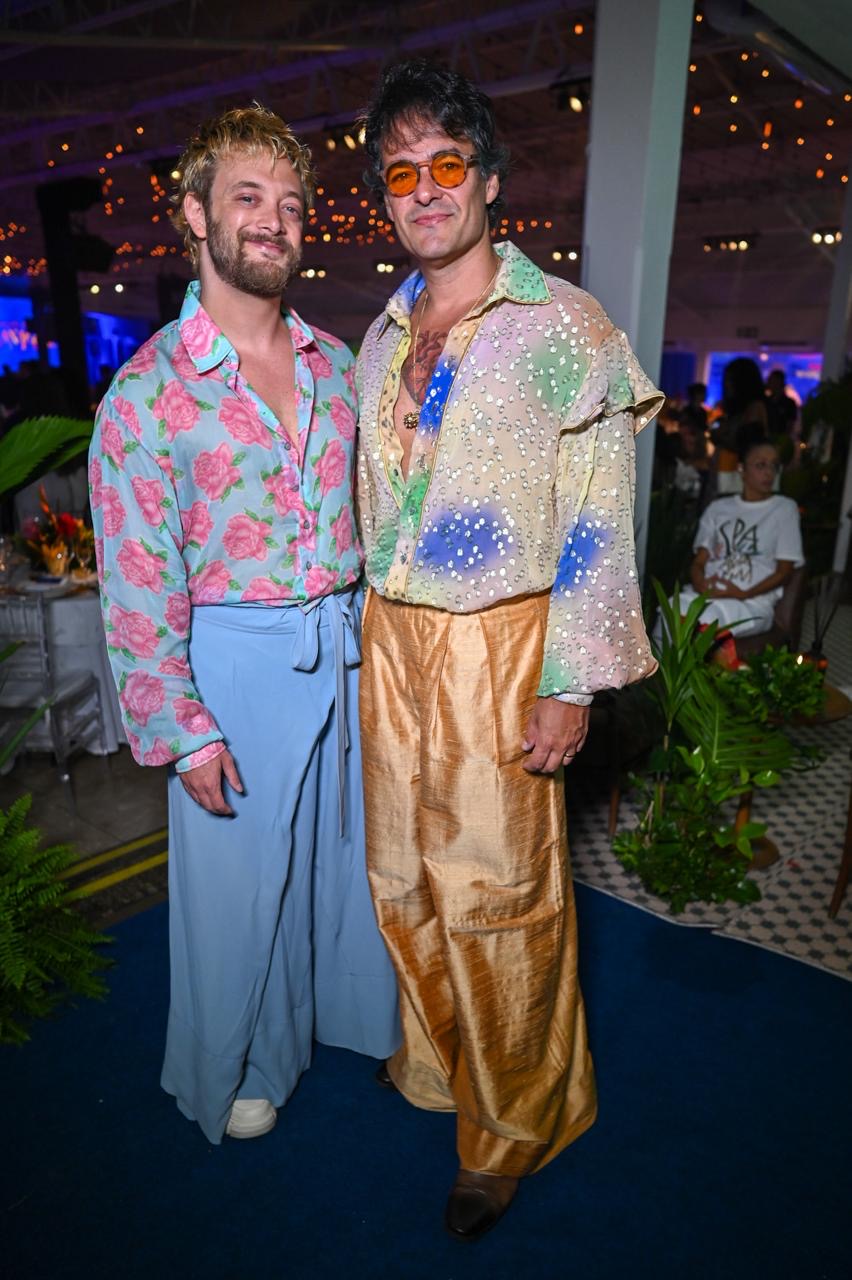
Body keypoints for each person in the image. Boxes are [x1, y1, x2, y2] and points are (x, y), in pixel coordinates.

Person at [356, 60, 663, 1240]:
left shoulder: (566, 326)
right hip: (392, 636)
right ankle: (443, 1065)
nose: (426, 189)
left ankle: (512, 1126)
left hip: (502, 637)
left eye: (447, 163)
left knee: (501, 896)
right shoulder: (382, 335)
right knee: (403, 878)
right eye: (401, 173)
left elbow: (600, 515)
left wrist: (568, 680)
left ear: (488, 179)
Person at [88, 105, 399, 1145]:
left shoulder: (338, 366)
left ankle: (337, 1021)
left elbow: (376, 521)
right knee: (235, 891)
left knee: (336, 860)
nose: (275, 220)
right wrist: (184, 729)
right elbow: (136, 582)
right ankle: (235, 1066)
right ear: (195, 214)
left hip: (341, 644)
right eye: (249, 197)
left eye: (292, 204)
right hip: (230, 661)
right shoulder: (146, 392)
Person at [671, 428, 804, 638]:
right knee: (670, 611)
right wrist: (699, 583)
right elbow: (699, 562)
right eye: (761, 465)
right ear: (741, 469)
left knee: (703, 621)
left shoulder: (784, 509)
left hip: (751, 602)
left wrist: (743, 593)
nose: (769, 472)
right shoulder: (718, 508)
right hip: (708, 594)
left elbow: (784, 572)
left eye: (774, 465)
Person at [709, 357, 767, 497]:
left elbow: (749, 447)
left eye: (730, 380)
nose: (726, 385)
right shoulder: (737, 410)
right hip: (726, 473)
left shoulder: (754, 409)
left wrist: (720, 437)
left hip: (735, 478)